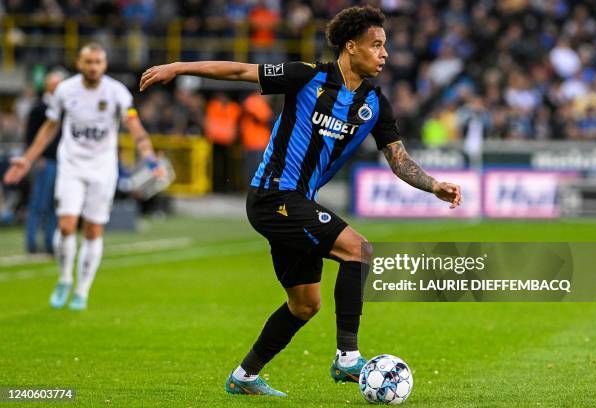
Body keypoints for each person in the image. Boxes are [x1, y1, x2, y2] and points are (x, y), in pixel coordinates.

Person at [140, 5, 461, 397]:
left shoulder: (376, 104)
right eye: (376, 45)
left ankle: (244, 377)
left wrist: (433, 185)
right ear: (350, 46)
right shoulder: (307, 76)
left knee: (305, 305)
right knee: (359, 251)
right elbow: (242, 71)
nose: (385, 54)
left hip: (298, 202)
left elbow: (398, 157)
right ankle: (347, 358)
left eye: (385, 46)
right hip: (273, 195)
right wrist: (178, 67)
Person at [3, 43, 161, 311]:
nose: (93, 67)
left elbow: (134, 126)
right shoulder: (66, 91)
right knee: (66, 226)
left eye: (98, 62)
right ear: (79, 63)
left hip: (102, 169)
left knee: (92, 231)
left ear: (105, 64)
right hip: (72, 166)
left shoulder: (116, 92)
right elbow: (50, 127)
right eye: (88, 62)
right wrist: (27, 159)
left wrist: (149, 156)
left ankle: (82, 289)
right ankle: (65, 277)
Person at [24, 70, 65, 254]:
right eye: (55, 84)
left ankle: (50, 243)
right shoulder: (39, 107)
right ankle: (32, 243)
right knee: (38, 203)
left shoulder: (64, 106)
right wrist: (36, 157)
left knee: (54, 204)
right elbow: (30, 135)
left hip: (62, 161)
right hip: (45, 161)